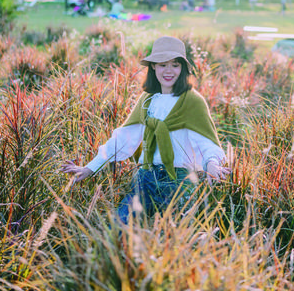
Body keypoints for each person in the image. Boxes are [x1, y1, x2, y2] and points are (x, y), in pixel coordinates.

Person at [62, 36, 229, 224]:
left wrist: (212, 164)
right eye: (162, 64)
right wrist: (90, 168)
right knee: (119, 226)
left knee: (172, 238)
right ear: (154, 67)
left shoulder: (192, 101)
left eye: (175, 65)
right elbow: (125, 138)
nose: (168, 71)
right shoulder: (148, 99)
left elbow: (206, 142)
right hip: (145, 178)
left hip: (180, 181)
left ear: (182, 68)